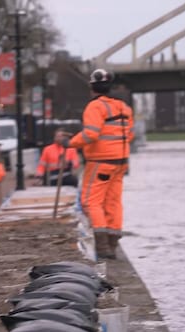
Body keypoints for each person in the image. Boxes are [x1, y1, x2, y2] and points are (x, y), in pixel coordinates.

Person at [66, 68, 134, 260]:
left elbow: (91, 134)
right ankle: (113, 242)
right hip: (120, 161)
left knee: (91, 201)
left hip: (100, 161)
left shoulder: (94, 107)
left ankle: (102, 246)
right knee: (113, 201)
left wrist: (69, 143)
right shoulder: (123, 107)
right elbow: (130, 134)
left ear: (92, 87)